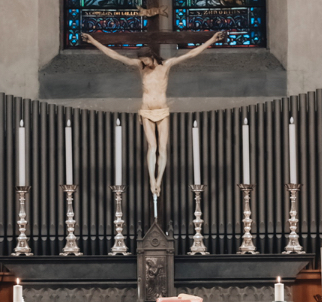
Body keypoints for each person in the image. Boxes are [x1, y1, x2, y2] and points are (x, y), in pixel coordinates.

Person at [81, 30, 223, 195]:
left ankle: (159, 180)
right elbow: (115, 56)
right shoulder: (140, 67)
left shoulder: (166, 65)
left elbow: (191, 54)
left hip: (162, 111)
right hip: (147, 110)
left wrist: (211, 39)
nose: (144, 63)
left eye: (145, 60)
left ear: (152, 56)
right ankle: (151, 179)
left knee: (162, 148)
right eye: (142, 60)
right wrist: (93, 41)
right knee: (152, 146)